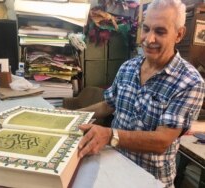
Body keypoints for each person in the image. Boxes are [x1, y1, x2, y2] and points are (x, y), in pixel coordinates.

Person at [77, 0, 205, 187]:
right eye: (146, 29)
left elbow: (162, 141)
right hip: (113, 166)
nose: (148, 39)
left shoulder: (190, 82)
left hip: (149, 180)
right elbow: (108, 104)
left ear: (179, 34)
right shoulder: (128, 67)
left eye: (160, 32)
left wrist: (109, 135)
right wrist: (76, 116)